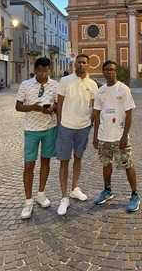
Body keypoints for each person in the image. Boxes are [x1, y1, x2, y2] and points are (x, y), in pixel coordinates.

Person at [93, 60, 140, 213]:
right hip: (104, 136)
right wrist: (95, 136)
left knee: (128, 165)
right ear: (103, 72)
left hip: (119, 136)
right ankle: (107, 191)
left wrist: (125, 135)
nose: (110, 72)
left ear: (116, 71)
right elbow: (96, 114)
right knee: (106, 165)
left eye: (112, 70)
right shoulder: (100, 91)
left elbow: (129, 115)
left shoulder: (123, 89)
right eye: (106, 70)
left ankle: (135, 195)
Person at [56, 54, 98, 216]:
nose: (81, 65)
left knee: (78, 158)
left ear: (88, 65)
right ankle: (64, 197)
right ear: (75, 64)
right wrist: (60, 123)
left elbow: (94, 107)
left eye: (84, 63)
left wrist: (92, 126)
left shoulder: (93, 84)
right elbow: (59, 103)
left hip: (84, 127)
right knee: (64, 162)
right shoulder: (65, 81)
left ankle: (74, 188)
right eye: (79, 62)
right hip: (66, 127)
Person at [15, 57, 58, 219]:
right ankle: (28, 201)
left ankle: (41, 194)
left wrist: (52, 108)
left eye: (45, 71)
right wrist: (34, 107)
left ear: (50, 70)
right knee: (29, 165)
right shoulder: (25, 85)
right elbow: (18, 106)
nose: (42, 74)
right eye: (39, 71)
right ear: (35, 70)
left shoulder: (55, 85)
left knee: (46, 161)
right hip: (31, 130)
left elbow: (58, 105)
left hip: (49, 129)